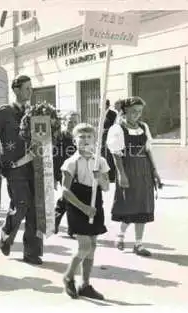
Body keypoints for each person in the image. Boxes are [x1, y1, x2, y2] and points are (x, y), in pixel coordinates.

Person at [0, 74, 43, 265]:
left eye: (31, 88)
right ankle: (6, 234)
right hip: (14, 167)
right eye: (27, 88)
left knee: (35, 207)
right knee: (21, 204)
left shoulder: (35, 112)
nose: (30, 91)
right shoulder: (4, 111)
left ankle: (32, 252)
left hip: (34, 166)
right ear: (16, 90)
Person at [106, 97, 162, 257]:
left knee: (144, 208)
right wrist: (121, 174)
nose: (137, 115)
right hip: (128, 169)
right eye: (133, 112)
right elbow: (116, 155)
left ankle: (138, 244)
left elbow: (148, 150)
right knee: (129, 207)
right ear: (125, 111)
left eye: (139, 112)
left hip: (144, 170)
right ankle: (120, 235)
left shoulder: (143, 127)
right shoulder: (117, 129)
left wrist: (155, 172)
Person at [61, 123, 109, 300]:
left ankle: (85, 284)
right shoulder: (71, 162)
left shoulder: (100, 161)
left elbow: (105, 188)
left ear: (95, 140)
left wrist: (100, 177)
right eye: (81, 137)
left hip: (95, 203)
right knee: (85, 246)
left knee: (93, 246)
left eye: (89, 137)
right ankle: (68, 276)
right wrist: (83, 208)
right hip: (77, 204)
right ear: (75, 141)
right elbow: (65, 191)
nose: (85, 140)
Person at [54, 111, 79, 236]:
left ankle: (55, 221)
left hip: (77, 172)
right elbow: (56, 157)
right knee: (69, 198)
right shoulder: (60, 137)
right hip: (64, 172)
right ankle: (71, 229)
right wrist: (55, 176)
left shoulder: (79, 136)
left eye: (75, 122)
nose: (72, 124)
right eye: (70, 121)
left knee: (69, 198)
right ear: (64, 122)